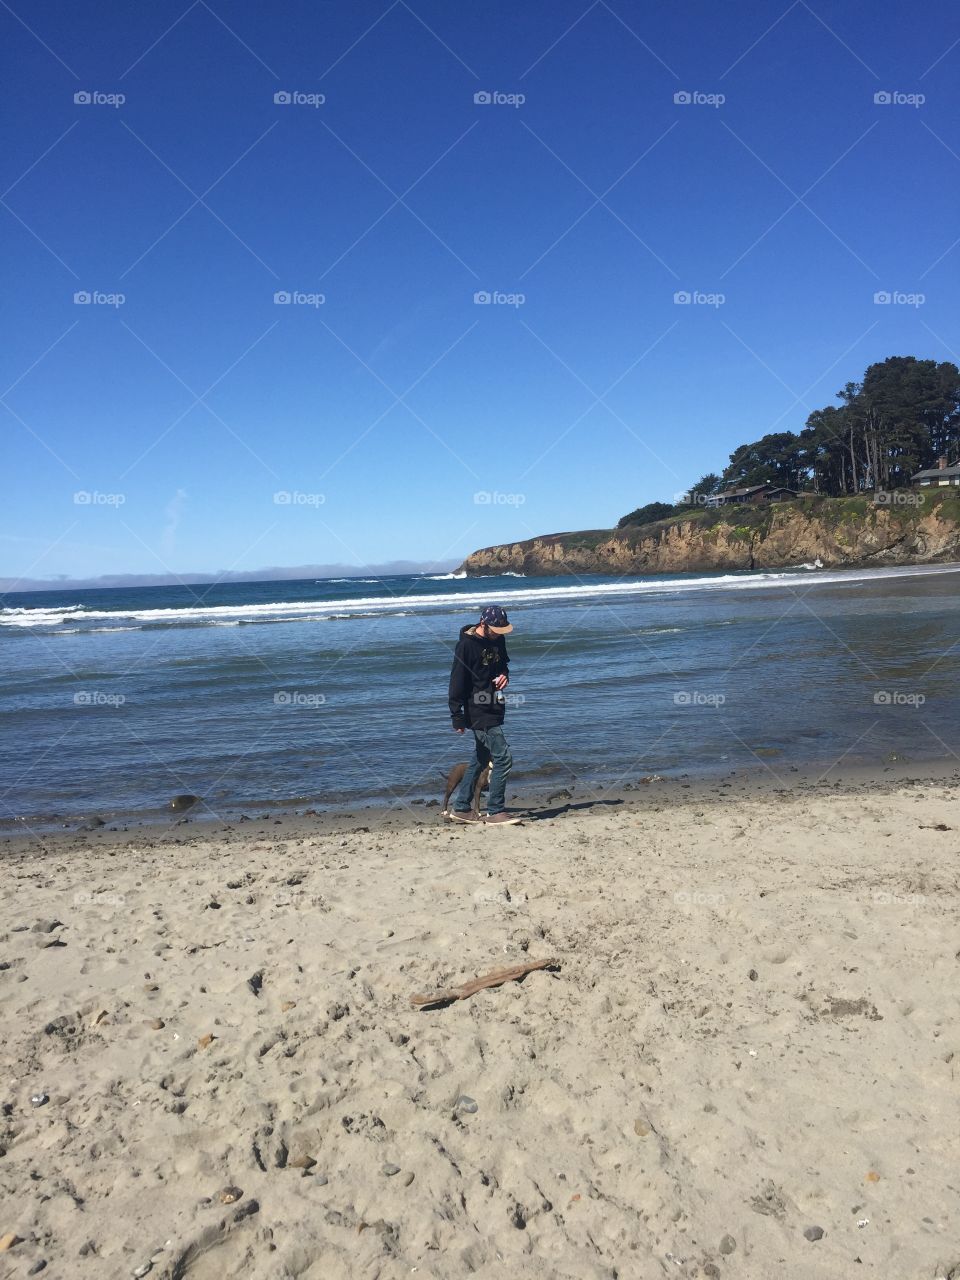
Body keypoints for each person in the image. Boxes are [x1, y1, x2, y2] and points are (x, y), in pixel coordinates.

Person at [447, 604, 521, 825]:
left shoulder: (497, 638)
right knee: (503, 758)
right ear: (483, 624)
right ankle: (495, 811)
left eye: (501, 631)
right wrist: (456, 715)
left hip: (494, 705)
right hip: (477, 710)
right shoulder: (466, 646)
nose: (499, 635)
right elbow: (456, 681)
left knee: (480, 758)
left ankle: (461, 808)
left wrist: (504, 676)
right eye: (496, 630)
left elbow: (503, 664)